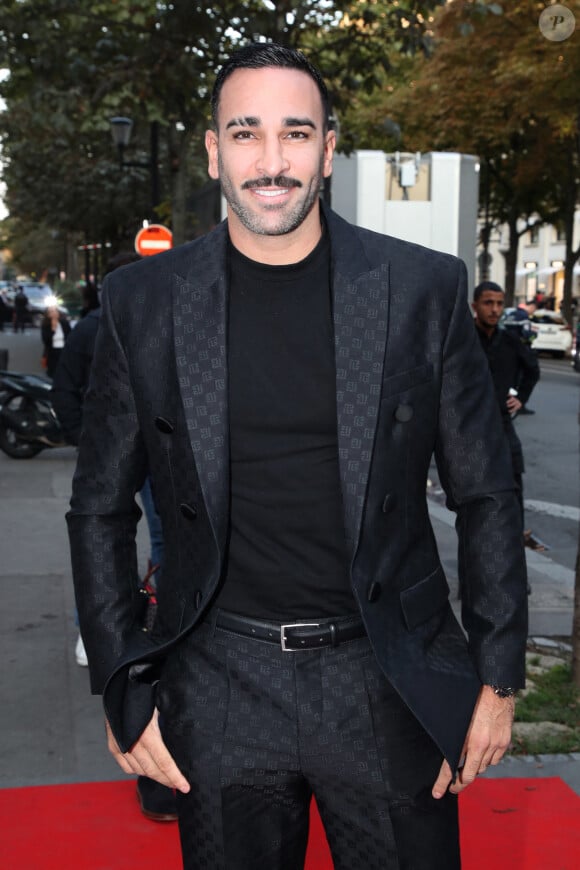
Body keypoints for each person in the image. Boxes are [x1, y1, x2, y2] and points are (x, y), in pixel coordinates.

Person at [67, 43, 528, 869]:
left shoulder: (418, 290)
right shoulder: (146, 303)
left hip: (385, 675)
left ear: (328, 148)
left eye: (296, 133)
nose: (271, 162)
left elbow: (487, 490)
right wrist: (119, 679)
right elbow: (99, 504)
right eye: (246, 133)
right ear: (213, 151)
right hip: (217, 675)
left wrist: (497, 678)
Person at [52, 251, 177, 822]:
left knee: (154, 539)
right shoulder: (103, 329)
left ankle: (131, 617)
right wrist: (97, 442)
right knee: (116, 531)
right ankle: (100, 629)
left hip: (151, 458)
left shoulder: (136, 323)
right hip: (124, 451)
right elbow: (69, 394)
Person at [471, 281, 540, 564]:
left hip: (502, 427)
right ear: (475, 306)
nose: (495, 309)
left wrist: (520, 397)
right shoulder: (463, 340)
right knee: (473, 510)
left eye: (499, 303)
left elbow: (532, 370)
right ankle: (473, 576)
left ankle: (515, 573)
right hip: (470, 431)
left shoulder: (511, 341)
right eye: (488, 303)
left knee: (513, 500)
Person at [41, 305, 71, 377]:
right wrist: (53, 329)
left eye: (55, 311)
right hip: (52, 352)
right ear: (48, 315)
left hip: (64, 351)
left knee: (64, 372)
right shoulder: (46, 326)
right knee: (53, 372)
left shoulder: (64, 323)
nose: (54, 313)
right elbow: (46, 340)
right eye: (51, 312)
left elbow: (70, 336)